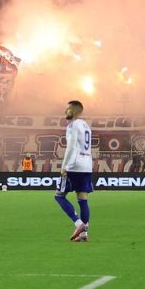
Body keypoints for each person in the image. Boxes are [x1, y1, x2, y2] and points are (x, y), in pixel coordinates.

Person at [55, 100, 93, 242]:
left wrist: (64, 166)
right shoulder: (86, 126)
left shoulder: (73, 125)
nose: (66, 111)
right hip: (86, 165)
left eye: (68, 109)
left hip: (74, 165)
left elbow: (71, 147)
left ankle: (79, 224)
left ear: (76, 111)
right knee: (83, 199)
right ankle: (83, 235)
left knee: (59, 196)